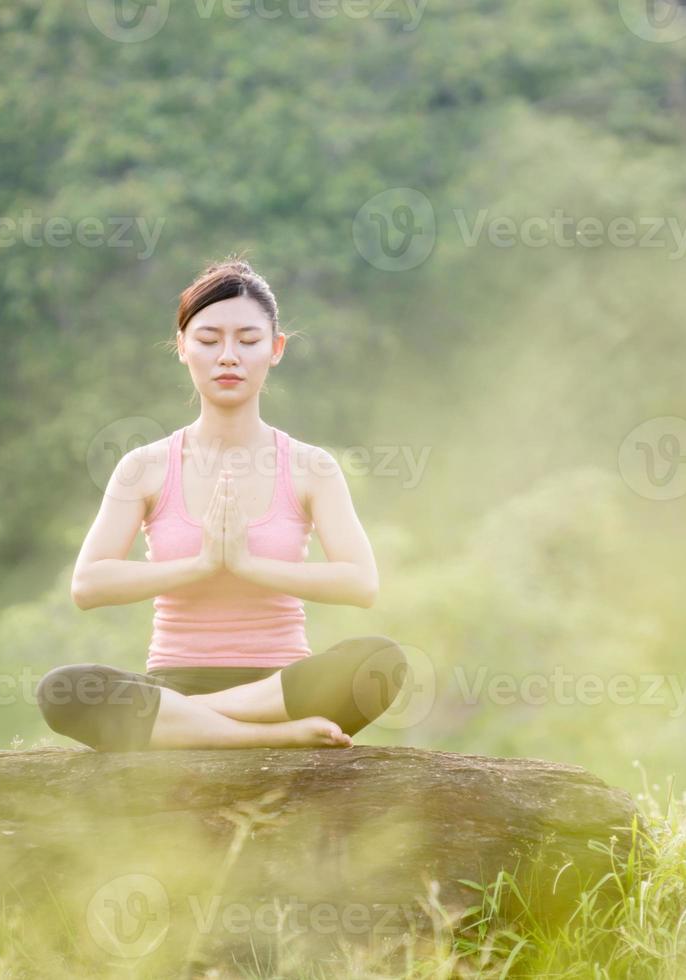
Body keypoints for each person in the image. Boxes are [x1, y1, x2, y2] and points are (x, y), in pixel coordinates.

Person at [35, 253, 409, 751]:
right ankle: (268, 739)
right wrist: (204, 563)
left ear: (275, 349)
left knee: (380, 661)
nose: (228, 356)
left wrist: (246, 563)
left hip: (280, 689)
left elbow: (361, 584)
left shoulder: (310, 467)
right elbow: (88, 584)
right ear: (182, 348)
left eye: (248, 341)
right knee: (63, 690)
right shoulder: (145, 467)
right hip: (173, 684)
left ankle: (203, 725)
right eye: (208, 341)